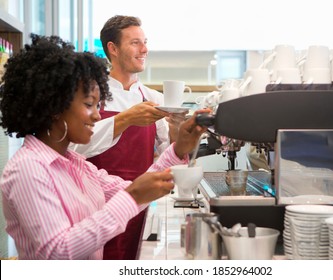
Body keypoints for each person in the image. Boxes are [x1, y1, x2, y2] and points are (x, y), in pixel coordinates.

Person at [0, 34, 207, 260]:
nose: (98, 115)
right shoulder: (29, 168)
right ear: (54, 106)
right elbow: (57, 252)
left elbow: (132, 188)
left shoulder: (77, 165)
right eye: (89, 105)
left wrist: (179, 149)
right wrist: (132, 196)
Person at [69, 15, 187, 260]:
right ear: (112, 48)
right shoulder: (92, 94)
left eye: (145, 42)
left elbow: (167, 153)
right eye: (135, 43)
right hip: (95, 207)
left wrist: (178, 128)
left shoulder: (152, 97)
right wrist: (126, 118)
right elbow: (73, 149)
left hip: (140, 205)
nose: (144, 49)